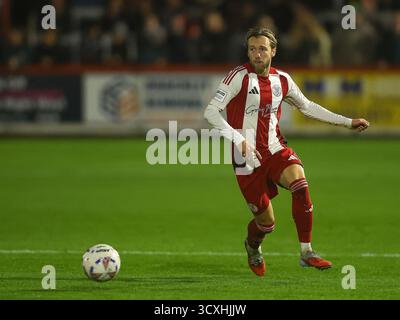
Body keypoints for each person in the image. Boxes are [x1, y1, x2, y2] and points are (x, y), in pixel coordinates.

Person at [204, 27, 370, 276]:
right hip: (245, 157)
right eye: (252, 49)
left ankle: (307, 252)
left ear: (273, 51)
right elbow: (210, 112)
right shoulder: (237, 77)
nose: (257, 54)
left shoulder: (282, 80)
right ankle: (252, 246)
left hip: (275, 148)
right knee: (266, 223)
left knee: (300, 183)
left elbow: (307, 106)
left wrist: (347, 122)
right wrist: (238, 140)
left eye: (262, 49)